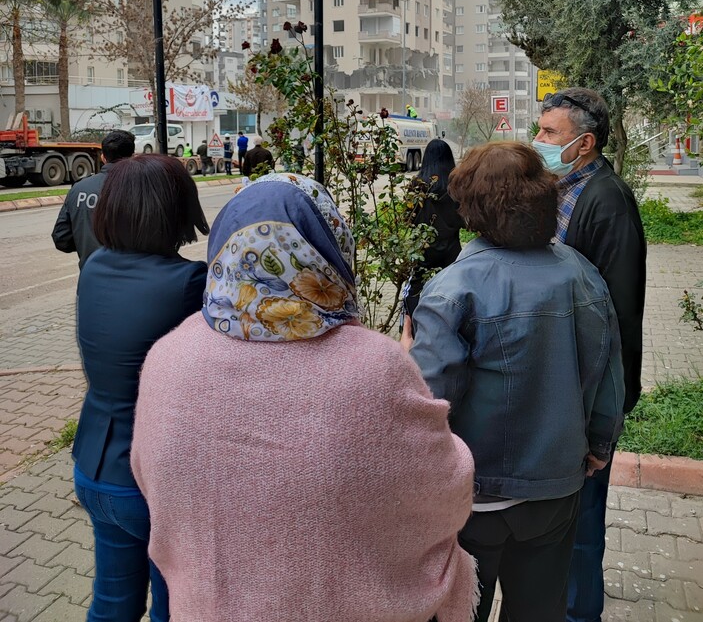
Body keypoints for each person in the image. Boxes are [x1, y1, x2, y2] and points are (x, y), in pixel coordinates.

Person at [131, 173, 479, 622]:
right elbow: (444, 489)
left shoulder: (169, 356)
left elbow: (151, 479)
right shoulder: (375, 366)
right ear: (330, 246)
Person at [405, 142, 625, 622]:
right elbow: (608, 374)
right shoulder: (582, 274)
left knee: (460, 612)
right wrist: (600, 444)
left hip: (474, 497)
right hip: (556, 488)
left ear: (472, 207)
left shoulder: (453, 288)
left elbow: (427, 404)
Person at [72, 154, 208, 622]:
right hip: (152, 479)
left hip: (94, 466)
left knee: (112, 604)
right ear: (176, 210)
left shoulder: (93, 268)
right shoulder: (190, 281)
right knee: (172, 609)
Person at [533, 88, 646, 622]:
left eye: (551, 133)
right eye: (540, 130)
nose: (540, 141)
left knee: (582, 523)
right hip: (561, 378)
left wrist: (609, 405)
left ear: (585, 144)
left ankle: (581, 614)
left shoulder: (607, 199)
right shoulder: (560, 188)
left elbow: (620, 312)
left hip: (589, 386)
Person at [402, 138, 466, 324]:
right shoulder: (456, 186)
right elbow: (465, 219)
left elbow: (408, 218)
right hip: (452, 249)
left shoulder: (417, 185)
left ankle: (411, 328)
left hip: (423, 249)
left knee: (414, 290)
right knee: (453, 289)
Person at [52, 129, 135, 269]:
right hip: (133, 280)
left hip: (90, 281)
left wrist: (87, 244)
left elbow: (62, 239)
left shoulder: (79, 188)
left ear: (103, 157)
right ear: (132, 156)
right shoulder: (143, 188)